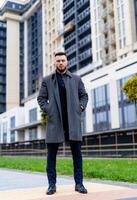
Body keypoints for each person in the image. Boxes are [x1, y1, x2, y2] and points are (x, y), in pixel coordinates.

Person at [37, 52, 88, 195]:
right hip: (55, 123)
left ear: (67, 62)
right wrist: (50, 111)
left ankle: (79, 184)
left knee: (77, 156)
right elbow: (41, 99)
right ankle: (51, 185)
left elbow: (84, 96)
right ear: (54, 63)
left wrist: (80, 108)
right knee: (51, 157)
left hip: (73, 123)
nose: (60, 62)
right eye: (58, 60)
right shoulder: (47, 80)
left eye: (63, 60)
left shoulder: (76, 79)